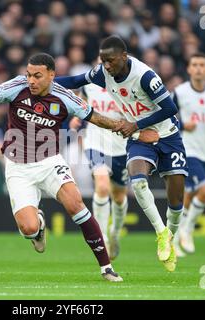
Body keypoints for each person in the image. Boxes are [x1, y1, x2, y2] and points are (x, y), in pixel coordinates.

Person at [0, 52, 158, 282]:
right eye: (29, 74)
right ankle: (38, 228)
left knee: (77, 206)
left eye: (37, 76)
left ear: (52, 75)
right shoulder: (16, 87)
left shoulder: (66, 97)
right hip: (18, 168)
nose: (31, 80)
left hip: (49, 162)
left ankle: (106, 268)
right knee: (28, 227)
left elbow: (98, 119)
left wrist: (135, 130)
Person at [55, 36, 189, 272]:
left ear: (124, 57)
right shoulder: (102, 73)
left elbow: (170, 108)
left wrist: (136, 125)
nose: (106, 66)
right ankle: (160, 233)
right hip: (137, 139)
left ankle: (172, 234)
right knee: (137, 183)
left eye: (111, 61)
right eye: (103, 61)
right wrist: (48, 83)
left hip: (167, 136)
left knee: (176, 200)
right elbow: (76, 80)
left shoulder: (145, 76)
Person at [68, 78, 129, 261]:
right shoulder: (89, 85)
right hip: (96, 143)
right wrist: (77, 118)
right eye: (102, 61)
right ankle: (102, 238)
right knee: (102, 186)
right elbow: (81, 102)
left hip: (122, 147)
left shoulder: (129, 84)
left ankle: (115, 233)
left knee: (119, 196)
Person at [172, 53, 205, 256]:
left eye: (202, 65)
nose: (198, 68)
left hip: (204, 152)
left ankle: (175, 238)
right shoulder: (179, 92)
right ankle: (187, 230)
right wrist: (183, 125)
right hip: (186, 150)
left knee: (187, 197)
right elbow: (164, 118)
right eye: (194, 64)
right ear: (188, 69)